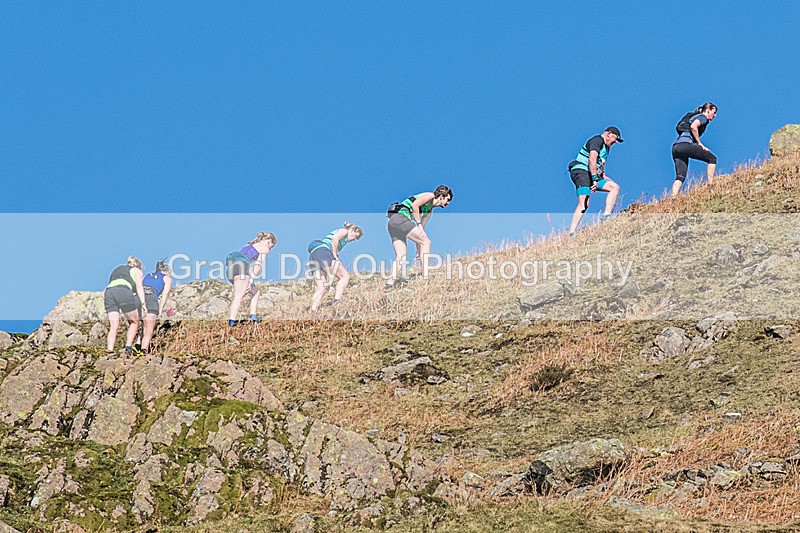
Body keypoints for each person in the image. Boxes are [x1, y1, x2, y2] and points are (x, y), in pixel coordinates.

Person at [385, 185, 453, 291]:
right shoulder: (430, 196)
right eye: (447, 199)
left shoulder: (428, 212)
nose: (448, 203)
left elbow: (421, 233)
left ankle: (389, 283)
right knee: (427, 242)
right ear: (441, 196)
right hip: (400, 218)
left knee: (401, 256)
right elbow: (415, 205)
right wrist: (418, 223)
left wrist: (418, 248)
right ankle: (425, 276)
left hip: (393, 224)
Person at [567, 126, 623, 236]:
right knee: (584, 202)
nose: (615, 142)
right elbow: (591, 159)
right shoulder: (597, 140)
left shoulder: (607, 148)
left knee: (614, 187)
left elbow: (598, 163)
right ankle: (572, 233)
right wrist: (595, 179)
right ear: (608, 134)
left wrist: (602, 174)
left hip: (593, 175)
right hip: (581, 171)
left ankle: (606, 217)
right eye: (615, 138)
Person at [307, 222, 363, 311]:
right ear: (352, 230)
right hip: (323, 252)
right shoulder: (345, 231)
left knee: (321, 288)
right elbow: (334, 238)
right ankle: (336, 301)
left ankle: (313, 309)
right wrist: (334, 255)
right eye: (356, 236)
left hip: (314, 256)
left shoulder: (343, 238)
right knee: (345, 276)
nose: (355, 240)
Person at [226, 232, 277, 326]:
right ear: (269, 241)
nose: (270, 248)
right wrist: (251, 280)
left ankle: (253, 317)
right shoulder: (264, 248)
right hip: (241, 269)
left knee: (255, 292)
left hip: (230, 269)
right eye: (272, 246)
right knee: (238, 296)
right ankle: (231, 322)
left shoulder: (249, 245)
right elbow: (258, 265)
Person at [671, 102, 718, 197]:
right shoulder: (703, 117)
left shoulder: (694, 116)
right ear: (708, 110)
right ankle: (710, 187)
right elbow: (693, 126)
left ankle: (672, 198)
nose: (715, 115)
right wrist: (699, 143)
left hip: (676, 147)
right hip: (685, 144)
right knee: (712, 159)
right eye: (714, 112)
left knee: (680, 176)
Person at [104, 256, 146, 356]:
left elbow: (108, 285)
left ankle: (109, 349)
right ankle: (128, 347)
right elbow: (139, 287)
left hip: (109, 292)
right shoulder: (137, 271)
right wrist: (143, 304)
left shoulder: (117, 269)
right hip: (123, 291)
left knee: (114, 325)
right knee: (134, 322)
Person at [140, 259, 173, 354]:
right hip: (151, 298)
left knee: (144, 325)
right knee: (149, 327)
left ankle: (137, 345)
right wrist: (160, 308)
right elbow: (165, 293)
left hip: (139, 299)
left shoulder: (147, 276)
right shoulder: (166, 278)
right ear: (167, 271)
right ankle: (144, 349)